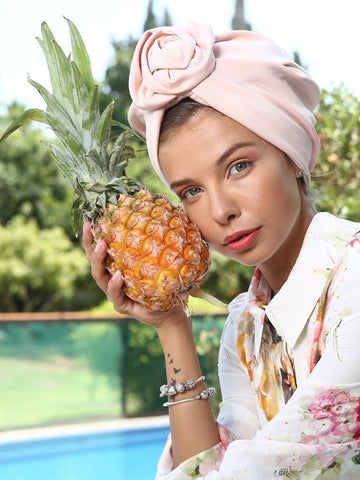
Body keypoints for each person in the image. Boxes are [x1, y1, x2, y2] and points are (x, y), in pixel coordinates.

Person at [83, 20, 360, 479]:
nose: (220, 210)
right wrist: (172, 325)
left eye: (239, 166)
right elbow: (208, 467)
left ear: (292, 154)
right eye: (191, 191)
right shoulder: (244, 328)